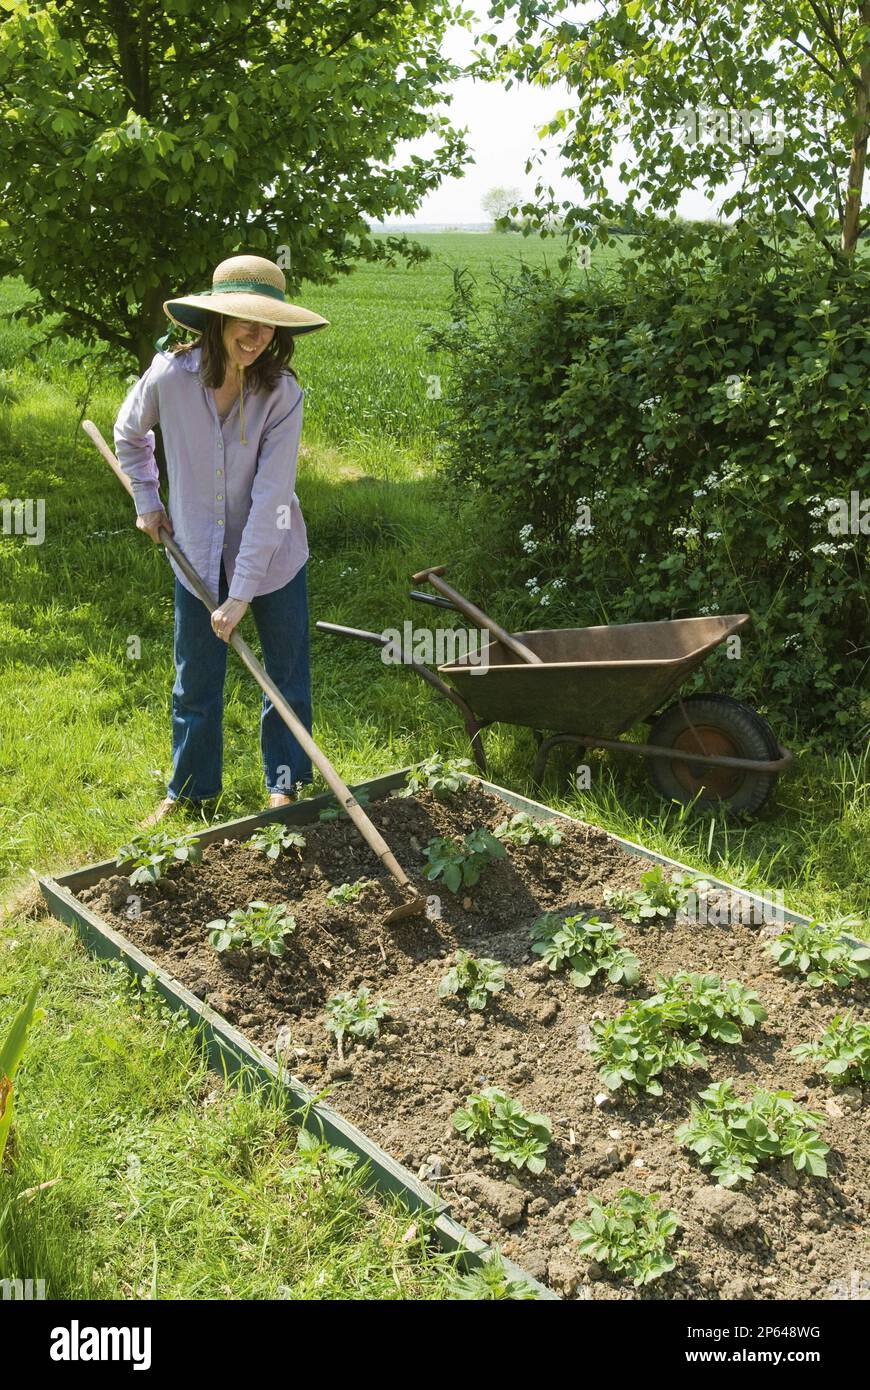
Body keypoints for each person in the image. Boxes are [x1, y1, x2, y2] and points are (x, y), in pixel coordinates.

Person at [113, 254, 329, 826]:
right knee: (195, 679)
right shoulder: (168, 377)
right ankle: (189, 791)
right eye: (243, 320)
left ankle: (283, 786)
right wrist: (148, 502)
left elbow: (272, 499)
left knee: (284, 674)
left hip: (275, 556)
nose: (255, 336)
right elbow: (128, 434)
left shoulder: (282, 394)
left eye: (267, 324)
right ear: (217, 320)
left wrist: (242, 596)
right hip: (195, 556)